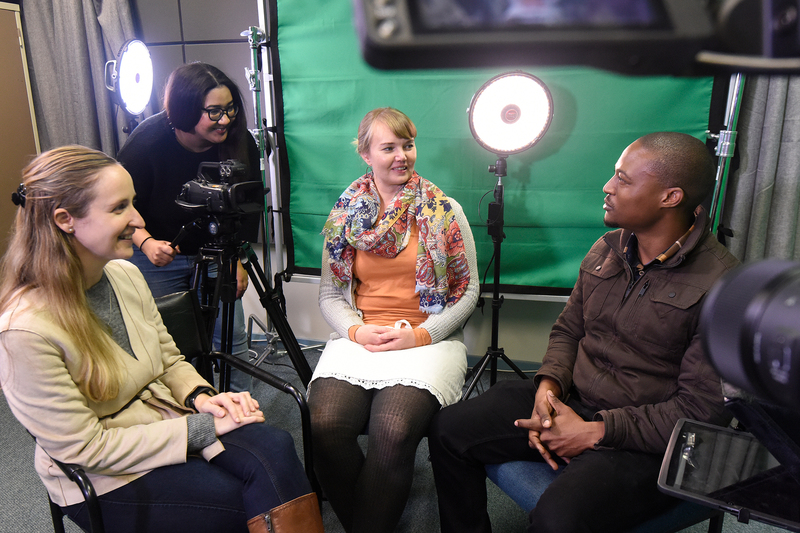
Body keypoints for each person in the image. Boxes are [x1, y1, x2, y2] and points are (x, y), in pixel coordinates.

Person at [428, 132, 741, 533]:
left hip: (645, 442)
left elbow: (701, 413)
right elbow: (568, 330)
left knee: (559, 519)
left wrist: (597, 432)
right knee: (448, 429)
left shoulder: (723, 286)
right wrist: (548, 391)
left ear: (670, 197)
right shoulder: (607, 248)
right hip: (573, 399)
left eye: (624, 180)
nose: (608, 188)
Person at [0, 146, 323, 533]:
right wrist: (200, 429)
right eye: (119, 208)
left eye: (133, 204)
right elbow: (83, 449)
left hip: (166, 417)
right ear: (66, 220)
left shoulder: (124, 275)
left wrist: (203, 398)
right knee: (238, 500)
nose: (138, 220)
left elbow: (168, 360)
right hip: (104, 474)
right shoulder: (25, 331)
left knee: (276, 448)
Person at [309, 108, 479, 533]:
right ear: (366, 154)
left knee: (393, 428)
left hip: (428, 339)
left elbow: (469, 291)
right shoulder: (346, 215)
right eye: (389, 147)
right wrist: (355, 329)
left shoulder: (445, 210)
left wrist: (421, 335)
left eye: (408, 145)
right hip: (362, 335)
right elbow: (330, 294)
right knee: (324, 425)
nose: (402, 155)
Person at [117, 62, 259, 392]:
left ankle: (241, 416)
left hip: (220, 251)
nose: (225, 120)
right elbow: (119, 208)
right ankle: (185, 419)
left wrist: (238, 258)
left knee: (231, 340)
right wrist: (146, 242)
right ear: (184, 110)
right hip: (157, 255)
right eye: (213, 112)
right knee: (171, 345)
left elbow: (249, 206)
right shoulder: (146, 144)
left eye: (229, 109)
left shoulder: (238, 142)